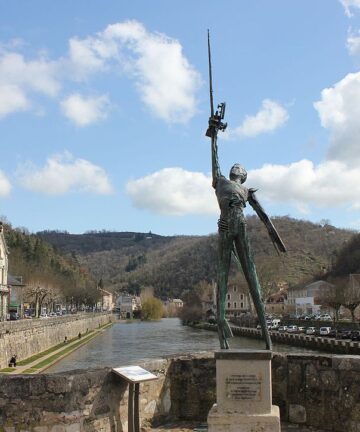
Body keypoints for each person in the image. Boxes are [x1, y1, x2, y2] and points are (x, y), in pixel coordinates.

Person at [208, 107, 286, 350]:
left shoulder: (246, 190)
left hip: (238, 225)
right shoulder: (220, 181)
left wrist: (276, 239)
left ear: (242, 175)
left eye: (238, 169)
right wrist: (214, 134)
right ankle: (223, 333)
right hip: (226, 225)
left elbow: (263, 215)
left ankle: (267, 339)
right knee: (222, 278)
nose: (236, 169)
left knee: (252, 277)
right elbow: (214, 157)